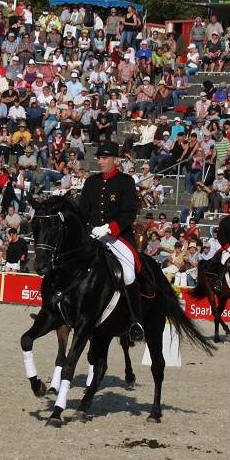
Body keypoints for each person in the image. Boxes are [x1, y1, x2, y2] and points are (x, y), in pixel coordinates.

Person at [77, 140, 144, 342]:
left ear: (115, 160)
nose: (100, 161)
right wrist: (88, 231)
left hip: (117, 236)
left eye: (104, 158)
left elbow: (130, 213)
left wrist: (109, 228)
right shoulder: (92, 182)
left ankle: (135, 321)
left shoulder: (125, 182)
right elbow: (83, 212)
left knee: (129, 274)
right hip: (93, 235)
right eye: (98, 157)